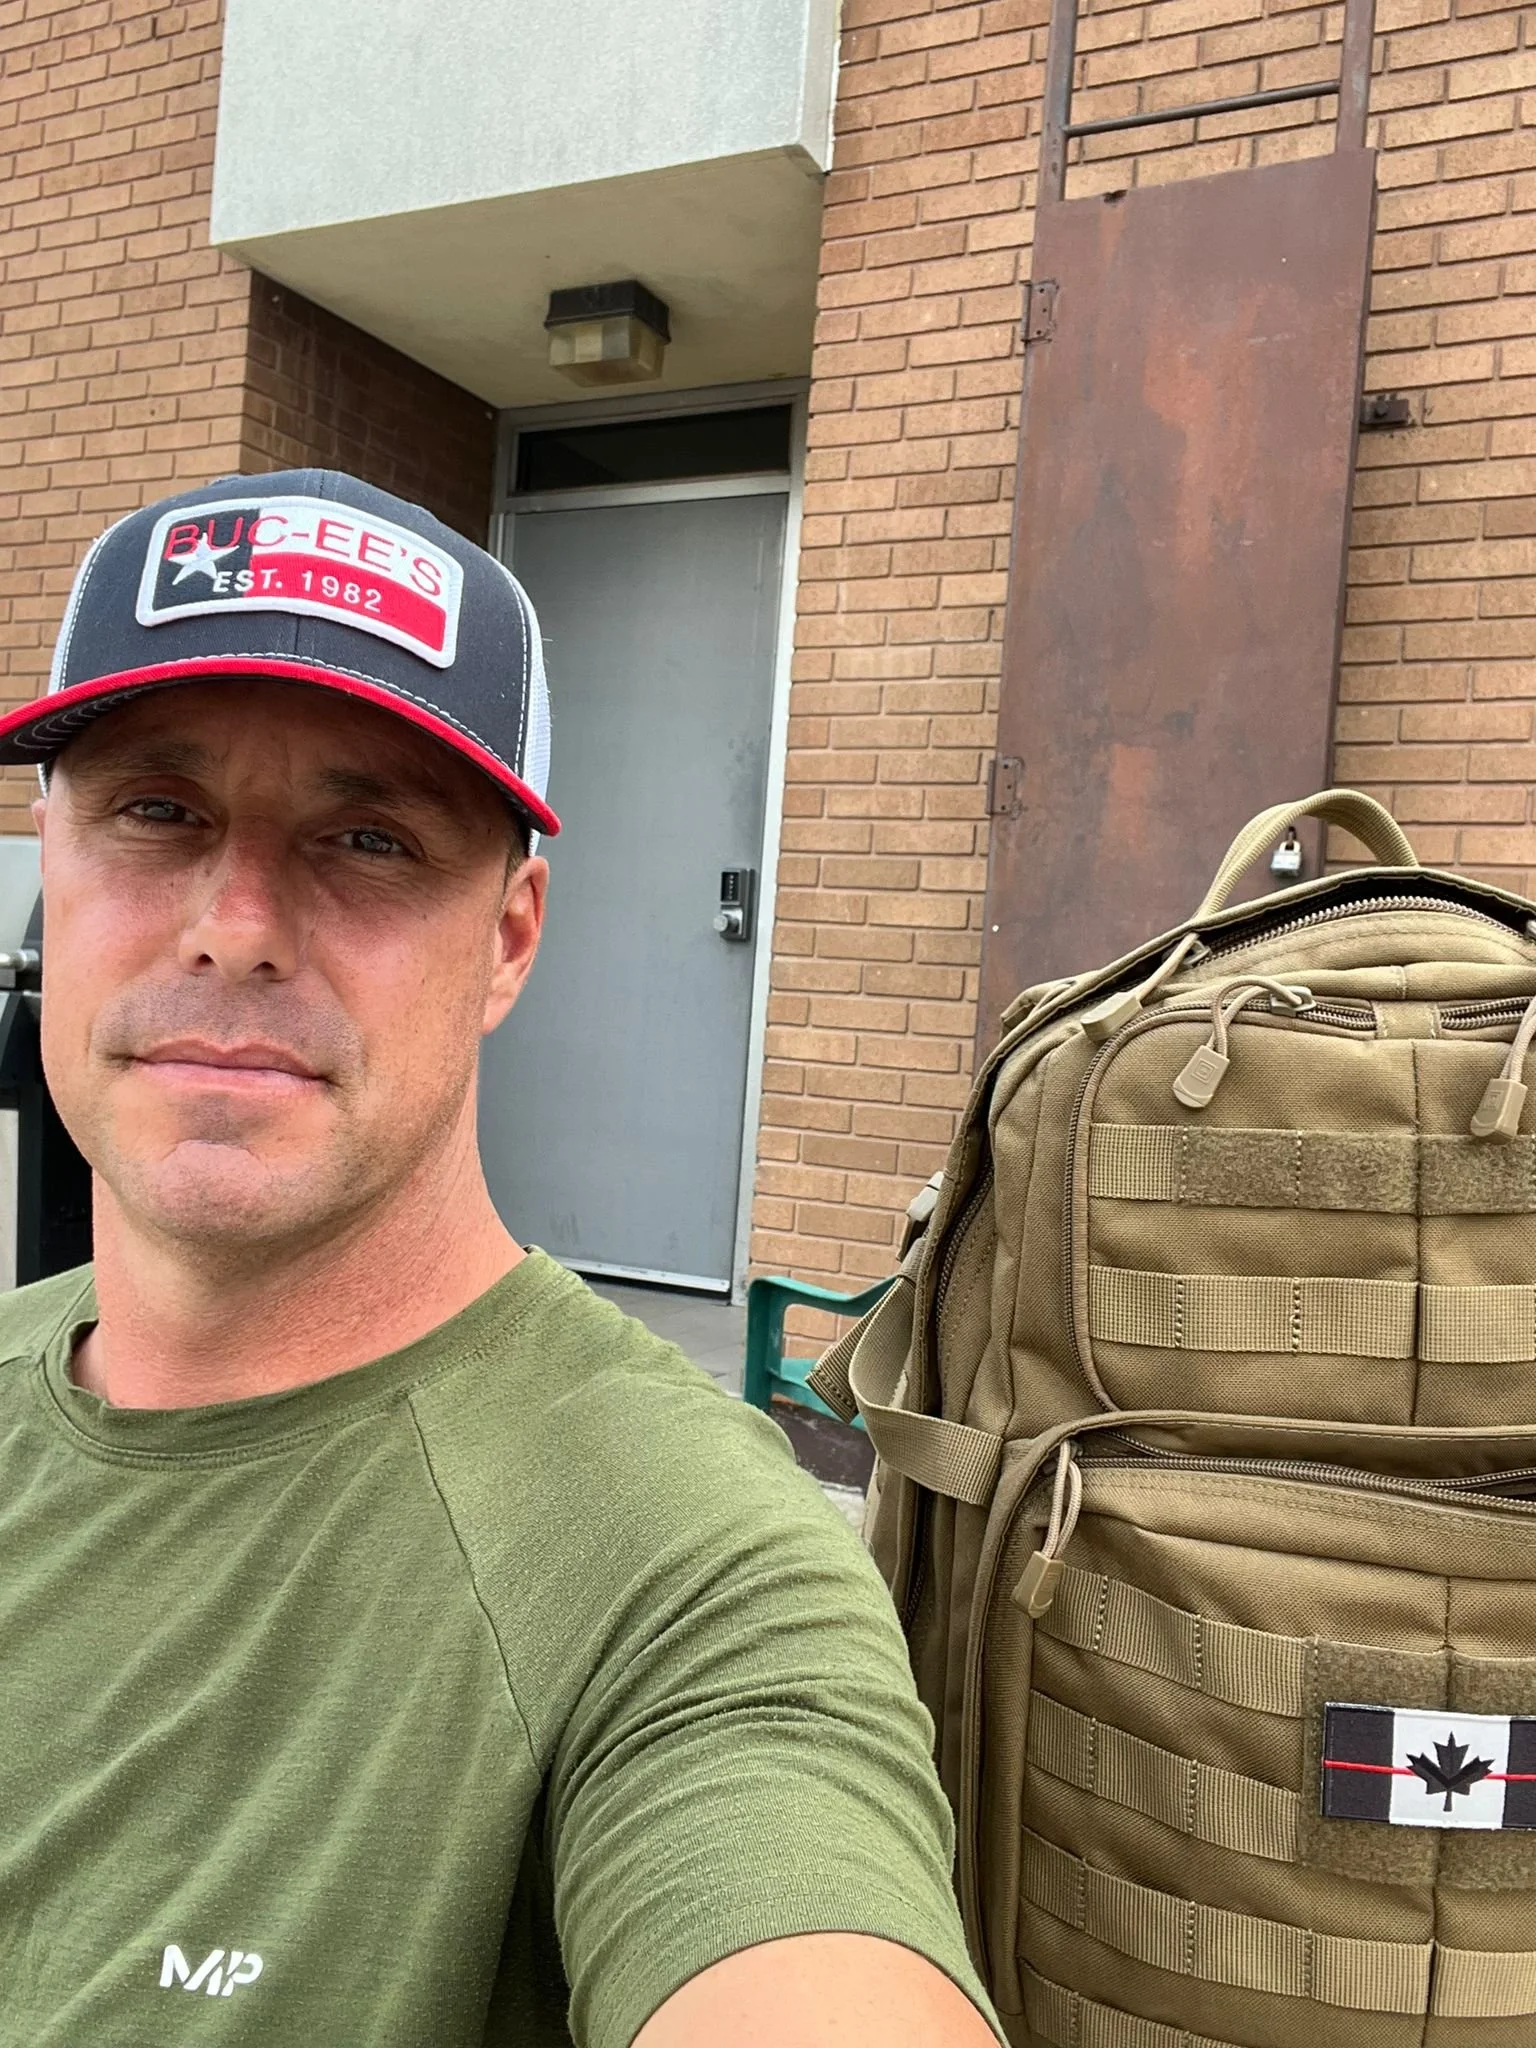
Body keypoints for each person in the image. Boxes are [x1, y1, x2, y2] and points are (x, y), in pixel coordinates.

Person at [0, 470, 1000, 2047]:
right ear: (49, 860)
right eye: (158, 810)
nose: (238, 923)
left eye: (371, 838)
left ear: (512, 937)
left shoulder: (686, 1562)